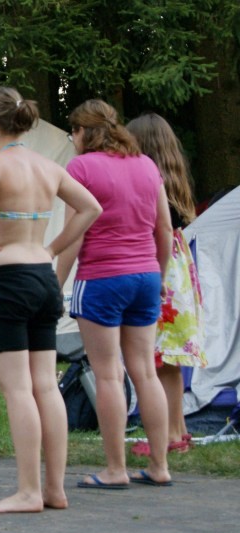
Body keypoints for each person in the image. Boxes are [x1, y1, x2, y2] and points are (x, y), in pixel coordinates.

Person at [0, 87, 102, 512]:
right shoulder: (47, 166)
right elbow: (91, 208)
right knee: (45, 384)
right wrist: (52, 249)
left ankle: (28, 491)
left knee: (19, 388)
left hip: (6, 280)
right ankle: (54, 489)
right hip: (42, 277)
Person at [56, 99, 174, 489]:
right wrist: (159, 276)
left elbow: (74, 235)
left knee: (108, 374)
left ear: (83, 132)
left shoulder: (81, 168)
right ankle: (159, 466)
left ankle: (115, 469)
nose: (73, 139)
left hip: (102, 278)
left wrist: (54, 284)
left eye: (73, 132)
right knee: (145, 371)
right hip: (146, 276)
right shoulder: (146, 165)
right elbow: (164, 229)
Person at [125, 113, 207, 454]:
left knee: (161, 360)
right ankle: (179, 429)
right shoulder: (174, 181)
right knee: (167, 359)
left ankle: (170, 435)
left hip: (160, 270)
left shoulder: (150, 182)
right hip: (177, 268)